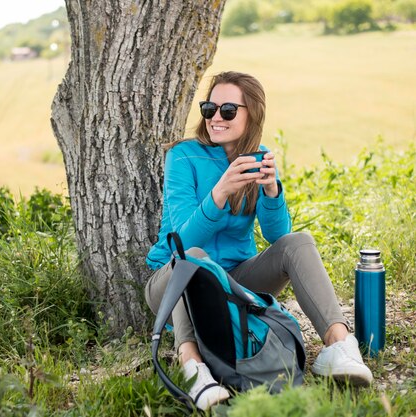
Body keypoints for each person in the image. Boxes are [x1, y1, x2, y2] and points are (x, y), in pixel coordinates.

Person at [144, 71, 373, 410]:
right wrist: (220, 191)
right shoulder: (182, 156)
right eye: (209, 109)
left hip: (236, 280)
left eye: (228, 110)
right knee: (190, 255)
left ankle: (339, 347)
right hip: (174, 282)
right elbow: (182, 239)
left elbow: (279, 238)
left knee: (299, 241)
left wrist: (271, 191)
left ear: (252, 113)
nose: (215, 118)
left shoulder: (257, 156)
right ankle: (193, 368)